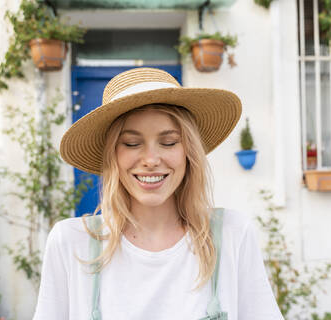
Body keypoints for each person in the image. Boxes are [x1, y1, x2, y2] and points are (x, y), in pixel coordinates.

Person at [33, 67, 283, 319]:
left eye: (169, 142)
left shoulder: (232, 235)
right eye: (132, 143)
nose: (151, 160)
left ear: (189, 151)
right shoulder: (71, 242)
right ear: (112, 155)